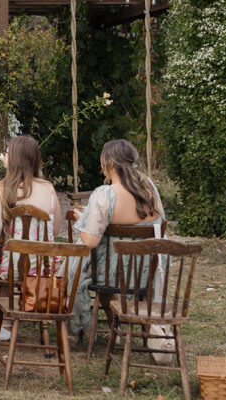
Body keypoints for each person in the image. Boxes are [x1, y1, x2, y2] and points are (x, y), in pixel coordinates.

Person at [69, 139, 165, 336]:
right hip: (145, 272)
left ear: (110, 163)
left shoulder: (105, 195)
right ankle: (146, 330)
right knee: (109, 263)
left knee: (88, 265)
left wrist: (83, 221)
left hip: (112, 275)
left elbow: (90, 241)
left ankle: (114, 327)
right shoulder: (150, 190)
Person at [0, 134, 61, 340]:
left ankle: (0, 322)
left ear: (14, 159)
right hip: (42, 265)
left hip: (9, 266)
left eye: (5, 154)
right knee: (12, 261)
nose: (1, 158)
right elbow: (56, 229)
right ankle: (19, 318)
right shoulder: (49, 189)